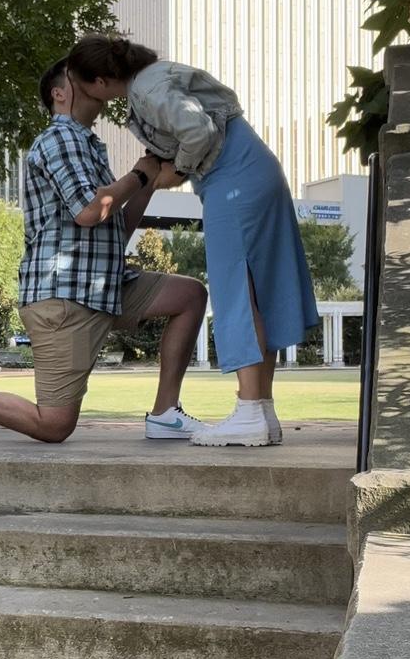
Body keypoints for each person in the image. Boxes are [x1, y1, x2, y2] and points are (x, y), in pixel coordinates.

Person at [0, 57, 208, 444]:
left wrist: (149, 182)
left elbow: (113, 232)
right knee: (54, 425)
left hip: (104, 287)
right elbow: (88, 211)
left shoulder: (89, 147)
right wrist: (138, 174)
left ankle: (165, 414)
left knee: (189, 295)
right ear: (59, 94)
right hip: (63, 297)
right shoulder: (59, 139)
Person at [66, 34, 319, 447]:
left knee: (235, 290)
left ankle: (249, 411)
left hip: (232, 182)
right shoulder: (157, 75)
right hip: (254, 170)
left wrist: (177, 171)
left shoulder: (146, 90)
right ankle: (262, 411)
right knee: (257, 290)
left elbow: (197, 130)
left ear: (99, 82)